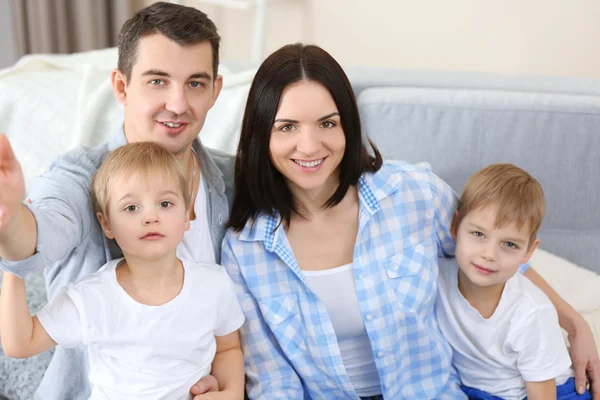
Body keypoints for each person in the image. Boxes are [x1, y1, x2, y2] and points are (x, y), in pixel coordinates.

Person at [221, 43, 600, 399]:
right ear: (260, 135)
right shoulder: (245, 248)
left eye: (327, 123)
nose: (309, 145)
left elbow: (494, 253)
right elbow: (273, 379)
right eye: (287, 127)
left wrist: (574, 322)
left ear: (348, 126)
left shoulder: (414, 194)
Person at [0, 2, 233, 399]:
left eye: (195, 83)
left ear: (215, 90)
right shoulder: (80, 176)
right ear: (122, 87)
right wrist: (9, 216)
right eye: (158, 81)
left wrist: (229, 389)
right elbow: (40, 233)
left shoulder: (233, 177)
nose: (177, 104)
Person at [0, 142, 245, 399]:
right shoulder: (93, 297)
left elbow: (227, 348)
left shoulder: (213, 284)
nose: (150, 217)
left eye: (165, 203)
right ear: (107, 225)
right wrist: (15, 268)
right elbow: (20, 344)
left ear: (186, 215)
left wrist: (231, 392)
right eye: (131, 208)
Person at [435, 164, 591, 400]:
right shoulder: (435, 278)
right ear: (455, 228)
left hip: (549, 392)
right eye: (478, 234)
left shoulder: (532, 312)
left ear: (528, 251)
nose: (489, 254)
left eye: (509, 244)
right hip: (481, 389)